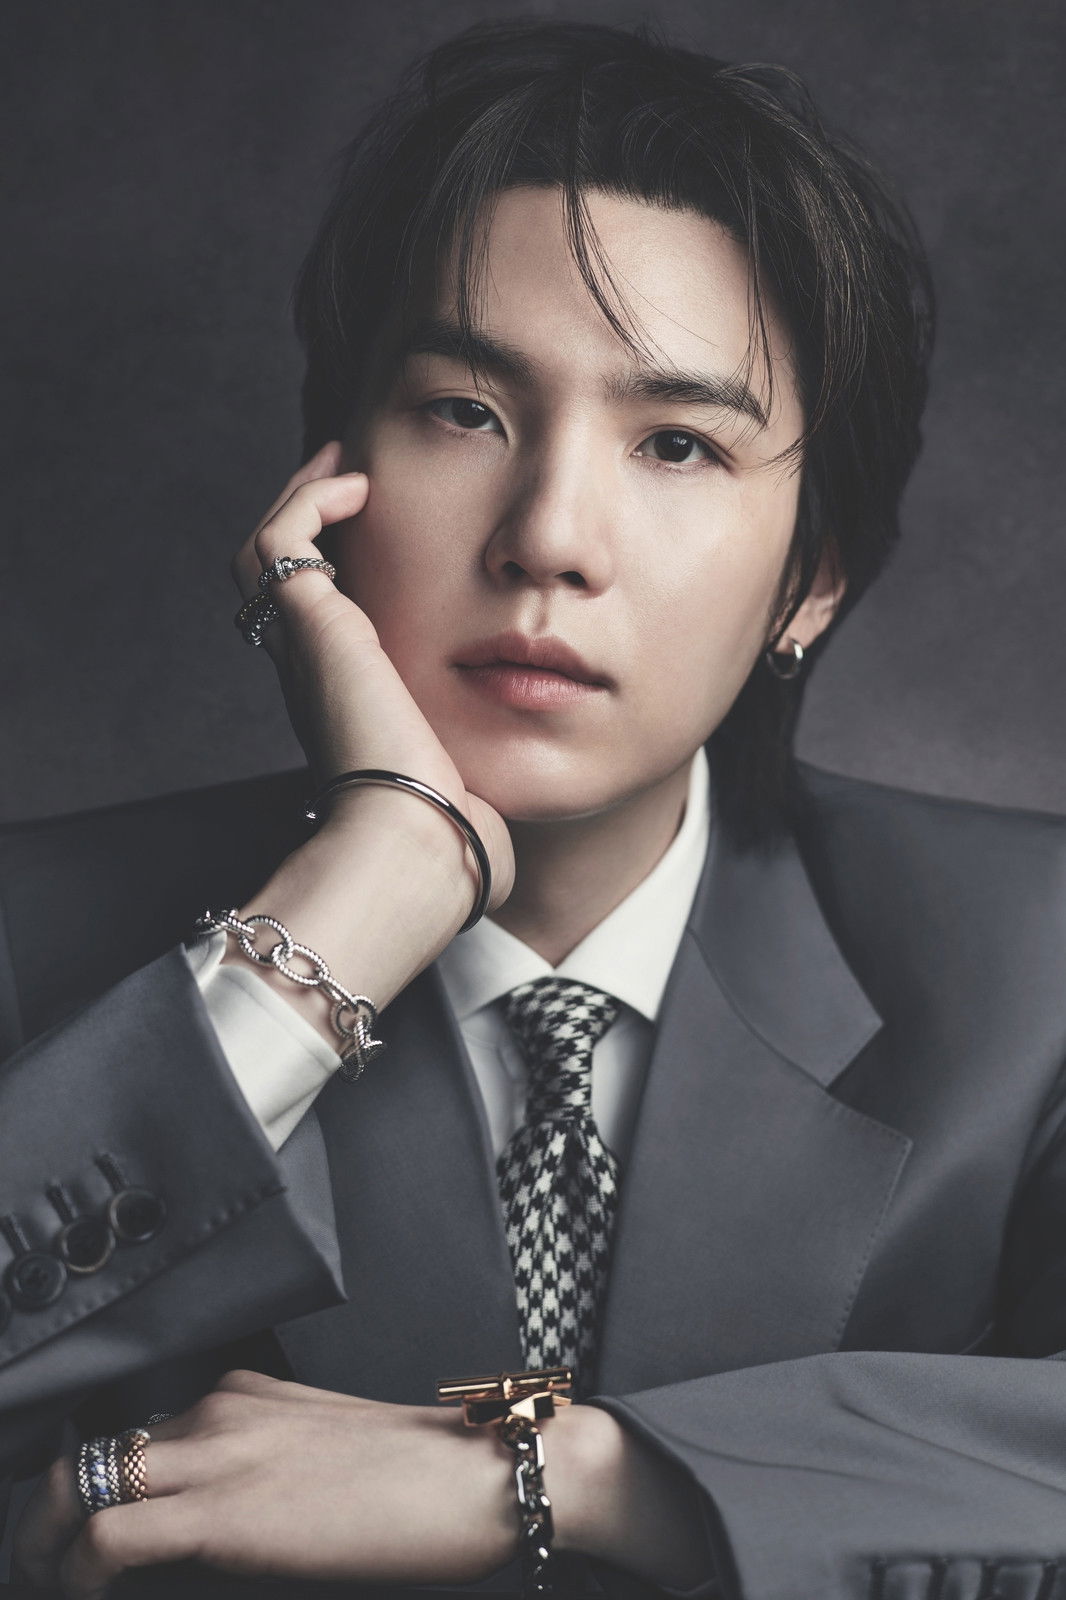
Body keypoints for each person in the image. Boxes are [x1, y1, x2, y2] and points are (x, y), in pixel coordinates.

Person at [4, 17, 1066, 1600]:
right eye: (465, 411)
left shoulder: (1037, 966)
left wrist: (559, 1470)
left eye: (677, 443)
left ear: (811, 581)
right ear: (328, 480)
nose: (549, 536)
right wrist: (364, 887)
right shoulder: (33, 939)